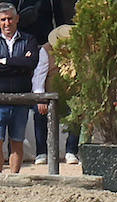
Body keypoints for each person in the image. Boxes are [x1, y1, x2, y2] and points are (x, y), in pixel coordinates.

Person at [12, 0, 66, 162]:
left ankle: (44, 150)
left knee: (42, 84)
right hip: (25, 44)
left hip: (46, 45)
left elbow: (59, 20)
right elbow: (12, 14)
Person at [0, 3, 37, 174]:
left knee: (17, 141)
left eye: (10, 19)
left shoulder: (29, 40)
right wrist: (19, 62)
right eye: (3, 19)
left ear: (17, 19)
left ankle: (14, 178)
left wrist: (5, 61)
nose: (7, 23)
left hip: (21, 98)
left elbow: (31, 64)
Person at [33, 23, 82, 165]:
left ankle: (71, 151)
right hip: (49, 96)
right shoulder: (46, 50)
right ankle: (41, 152)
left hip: (72, 96)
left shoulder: (79, 52)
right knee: (39, 113)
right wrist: (40, 98)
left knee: (78, 112)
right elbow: (39, 76)